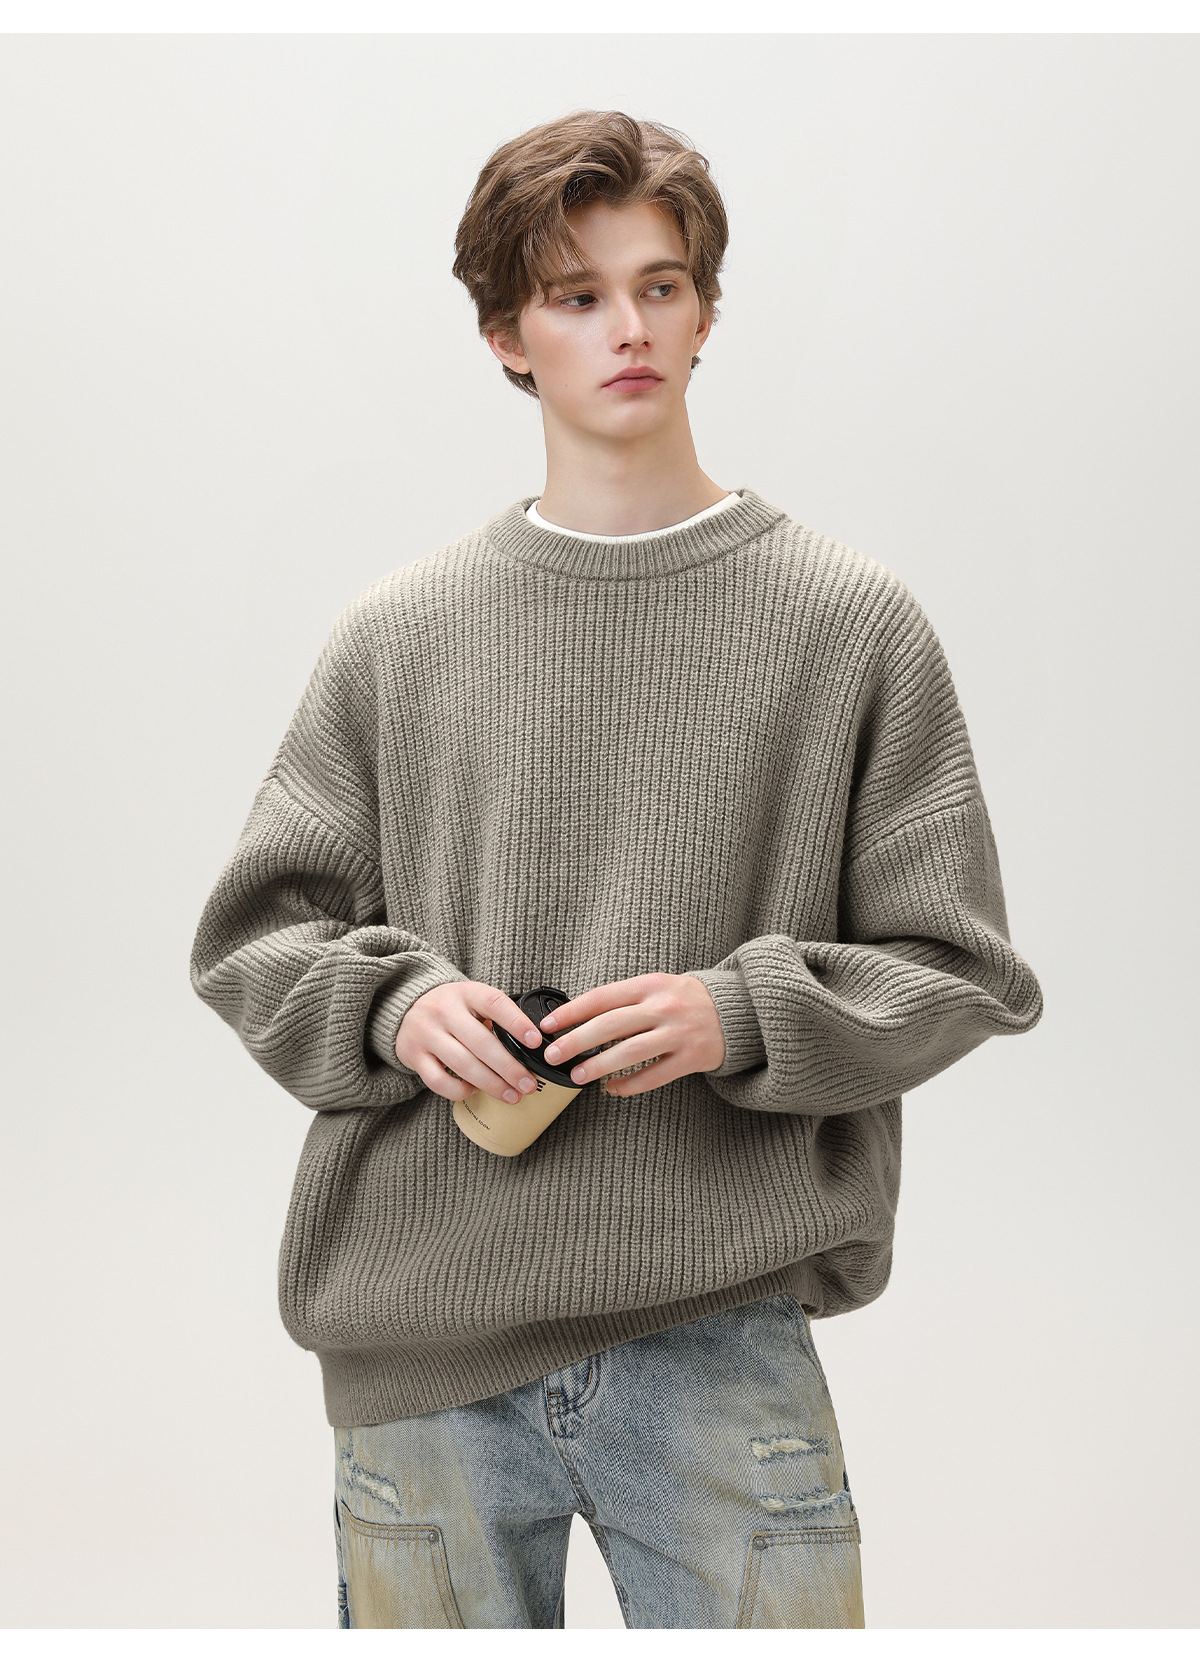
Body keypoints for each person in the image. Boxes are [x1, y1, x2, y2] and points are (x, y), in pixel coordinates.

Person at [190, 109, 1044, 1630]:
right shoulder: (399, 634)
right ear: (506, 337)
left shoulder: (850, 623)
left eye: (660, 286)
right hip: (424, 1342)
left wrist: (743, 1016)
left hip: (721, 1334)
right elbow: (257, 939)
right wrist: (395, 1008)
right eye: (577, 296)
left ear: (707, 312)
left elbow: (962, 968)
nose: (628, 328)